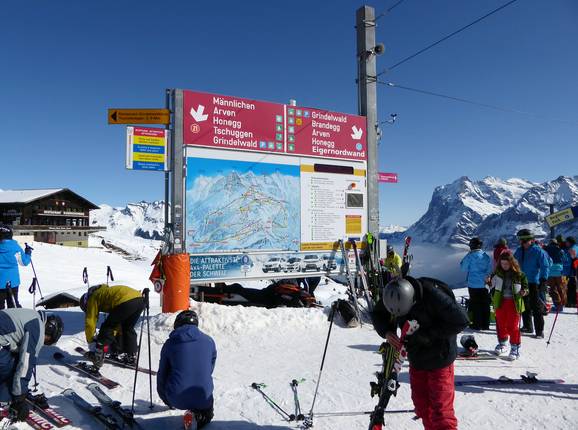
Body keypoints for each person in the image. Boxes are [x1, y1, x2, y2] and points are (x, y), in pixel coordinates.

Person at [372, 277, 468, 430]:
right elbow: (378, 313)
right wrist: (387, 331)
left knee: (441, 414)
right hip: (416, 357)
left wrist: (428, 335)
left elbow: (461, 321)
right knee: (422, 407)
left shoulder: (433, 295)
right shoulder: (394, 293)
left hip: (440, 358)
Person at [0, 308, 63, 422]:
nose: (44, 342)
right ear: (49, 331)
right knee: (11, 367)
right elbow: (25, 364)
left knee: (11, 360)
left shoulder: (33, 316)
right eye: (48, 340)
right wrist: (19, 398)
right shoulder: (37, 328)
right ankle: (3, 401)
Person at [158, 310, 216, 429]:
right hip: (203, 397)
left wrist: (166, 399)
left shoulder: (170, 344)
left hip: (176, 398)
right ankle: (202, 416)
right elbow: (209, 368)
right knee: (205, 395)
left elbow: (162, 375)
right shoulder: (209, 341)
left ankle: (191, 410)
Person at [79, 284, 145, 367]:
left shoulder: (92, 298)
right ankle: (131, 356)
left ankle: (97, 357)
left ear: (86, 303)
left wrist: (91, 341)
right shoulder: (103, 293)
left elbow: (90, 322)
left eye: (87, 309)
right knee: (127, 328)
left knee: (107, 327)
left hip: (126, 301)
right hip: (139, 300)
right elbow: (117, 324)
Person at [513, 229, 550, 338]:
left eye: (524, 241)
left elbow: (545, 266)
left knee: (536, 307)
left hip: (534, 282)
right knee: (524, 305)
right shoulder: (519, 251)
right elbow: (513, 262)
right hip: (521, 282)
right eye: (520, 241)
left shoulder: (538, 251)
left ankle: (539, 331)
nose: (522, 243)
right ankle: (528, 326)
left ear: (530, 240)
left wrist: (543, 279)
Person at [491, 252, 528, 360]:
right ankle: (502, 343)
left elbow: (526, 287)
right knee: (501, 324)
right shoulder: (497, 273)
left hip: (514, 303)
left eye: (506, 264)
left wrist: (524, 291)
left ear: (512, 263)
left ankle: (515, 347)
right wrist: (488, 282)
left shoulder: (519, 274)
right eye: (502, 263)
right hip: (500, 302)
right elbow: (490, 285)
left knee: (513, 326)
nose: (504, 266)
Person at [460, 237, 492, 330]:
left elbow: (463, 267)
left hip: (473, 284)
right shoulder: (486, 256)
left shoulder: (470, 256)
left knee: (475, 304)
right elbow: (489, 269)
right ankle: (485, 324)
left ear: (471, 246)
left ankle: (477, 324)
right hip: (485, 284)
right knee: (485, 304)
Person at [0, 225, 32, 308]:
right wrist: (28, 253)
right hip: (12, 281)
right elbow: (24, 262)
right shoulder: (15, 247)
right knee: (13, 305)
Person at [543, 239, 569, 312]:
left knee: (553, 289)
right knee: (561, 287)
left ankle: (557, 305)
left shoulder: (546, 250)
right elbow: (565, 260)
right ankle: (562, 304)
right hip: (559, 271)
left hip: (550, 272)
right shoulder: (560, 250)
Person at [564, 236, 578, 307]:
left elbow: (574, 258)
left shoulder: (572, 248)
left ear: (570, 242)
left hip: (572, 271)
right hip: (573, 270)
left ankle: (571, 302)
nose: (565, 243)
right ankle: (572, 302)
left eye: (566, 242)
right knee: (572, 286)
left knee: (571, 286)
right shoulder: (575, 247)